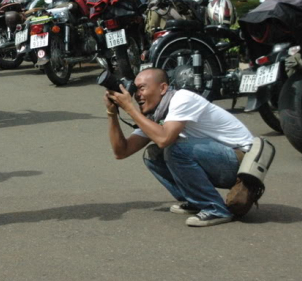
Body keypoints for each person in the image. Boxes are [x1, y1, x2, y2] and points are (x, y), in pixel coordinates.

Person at [105, 68, 254, 227]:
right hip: (220, 160)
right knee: (153, 154)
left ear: (162, 88)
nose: (136, 95)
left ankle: (215, 208)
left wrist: (130, 108)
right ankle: (196, 201)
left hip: (243, 163)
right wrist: (111, 113)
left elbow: (164, 138)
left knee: (174, 148)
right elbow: (121, 152)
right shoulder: (156, 114)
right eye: (135, 90)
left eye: (141, 88)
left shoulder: (182, 98)